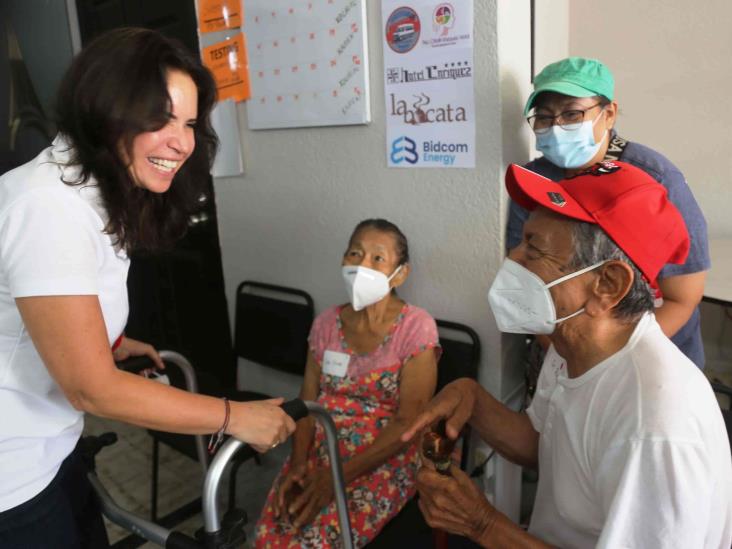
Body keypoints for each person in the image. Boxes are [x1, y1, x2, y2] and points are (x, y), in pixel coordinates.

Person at [0, 28, 296, 548]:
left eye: (188, 122)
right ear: (106, 109)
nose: (181, 142)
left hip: (48, 448)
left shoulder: (95, 189)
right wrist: (235, 416)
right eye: (159, 119)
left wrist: (105, 341)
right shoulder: (49, 206)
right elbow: (91, 387)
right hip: (12, 474)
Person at [404, 162, 732, 548]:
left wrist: (484, 525)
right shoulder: (570, 344)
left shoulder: (654, 425)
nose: (512, 259)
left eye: (533, 248)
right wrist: (472, 398)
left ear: (607, 285)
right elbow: (547, 448)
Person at [508, 57, 709, 368]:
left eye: (572, 113)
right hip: (565, 349)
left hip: (649, 353)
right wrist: (565, 355)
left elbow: (682, 297)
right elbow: (525, 279)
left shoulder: (654, 179)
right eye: (545, 118)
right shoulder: (533, 182)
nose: (557, 127)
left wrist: (611, 365)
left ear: (609, 113)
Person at [255, 219, 440, 548]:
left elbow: (408, 421)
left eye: (377, 258)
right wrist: (298, 465)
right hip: (321, 446)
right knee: (276, 528)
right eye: (355, 253)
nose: (362, 265)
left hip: (383, 456)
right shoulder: (326, 323)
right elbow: (307, 402)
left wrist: (335, 479)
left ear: (401, 273)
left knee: (316, 539)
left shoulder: (416, 327)